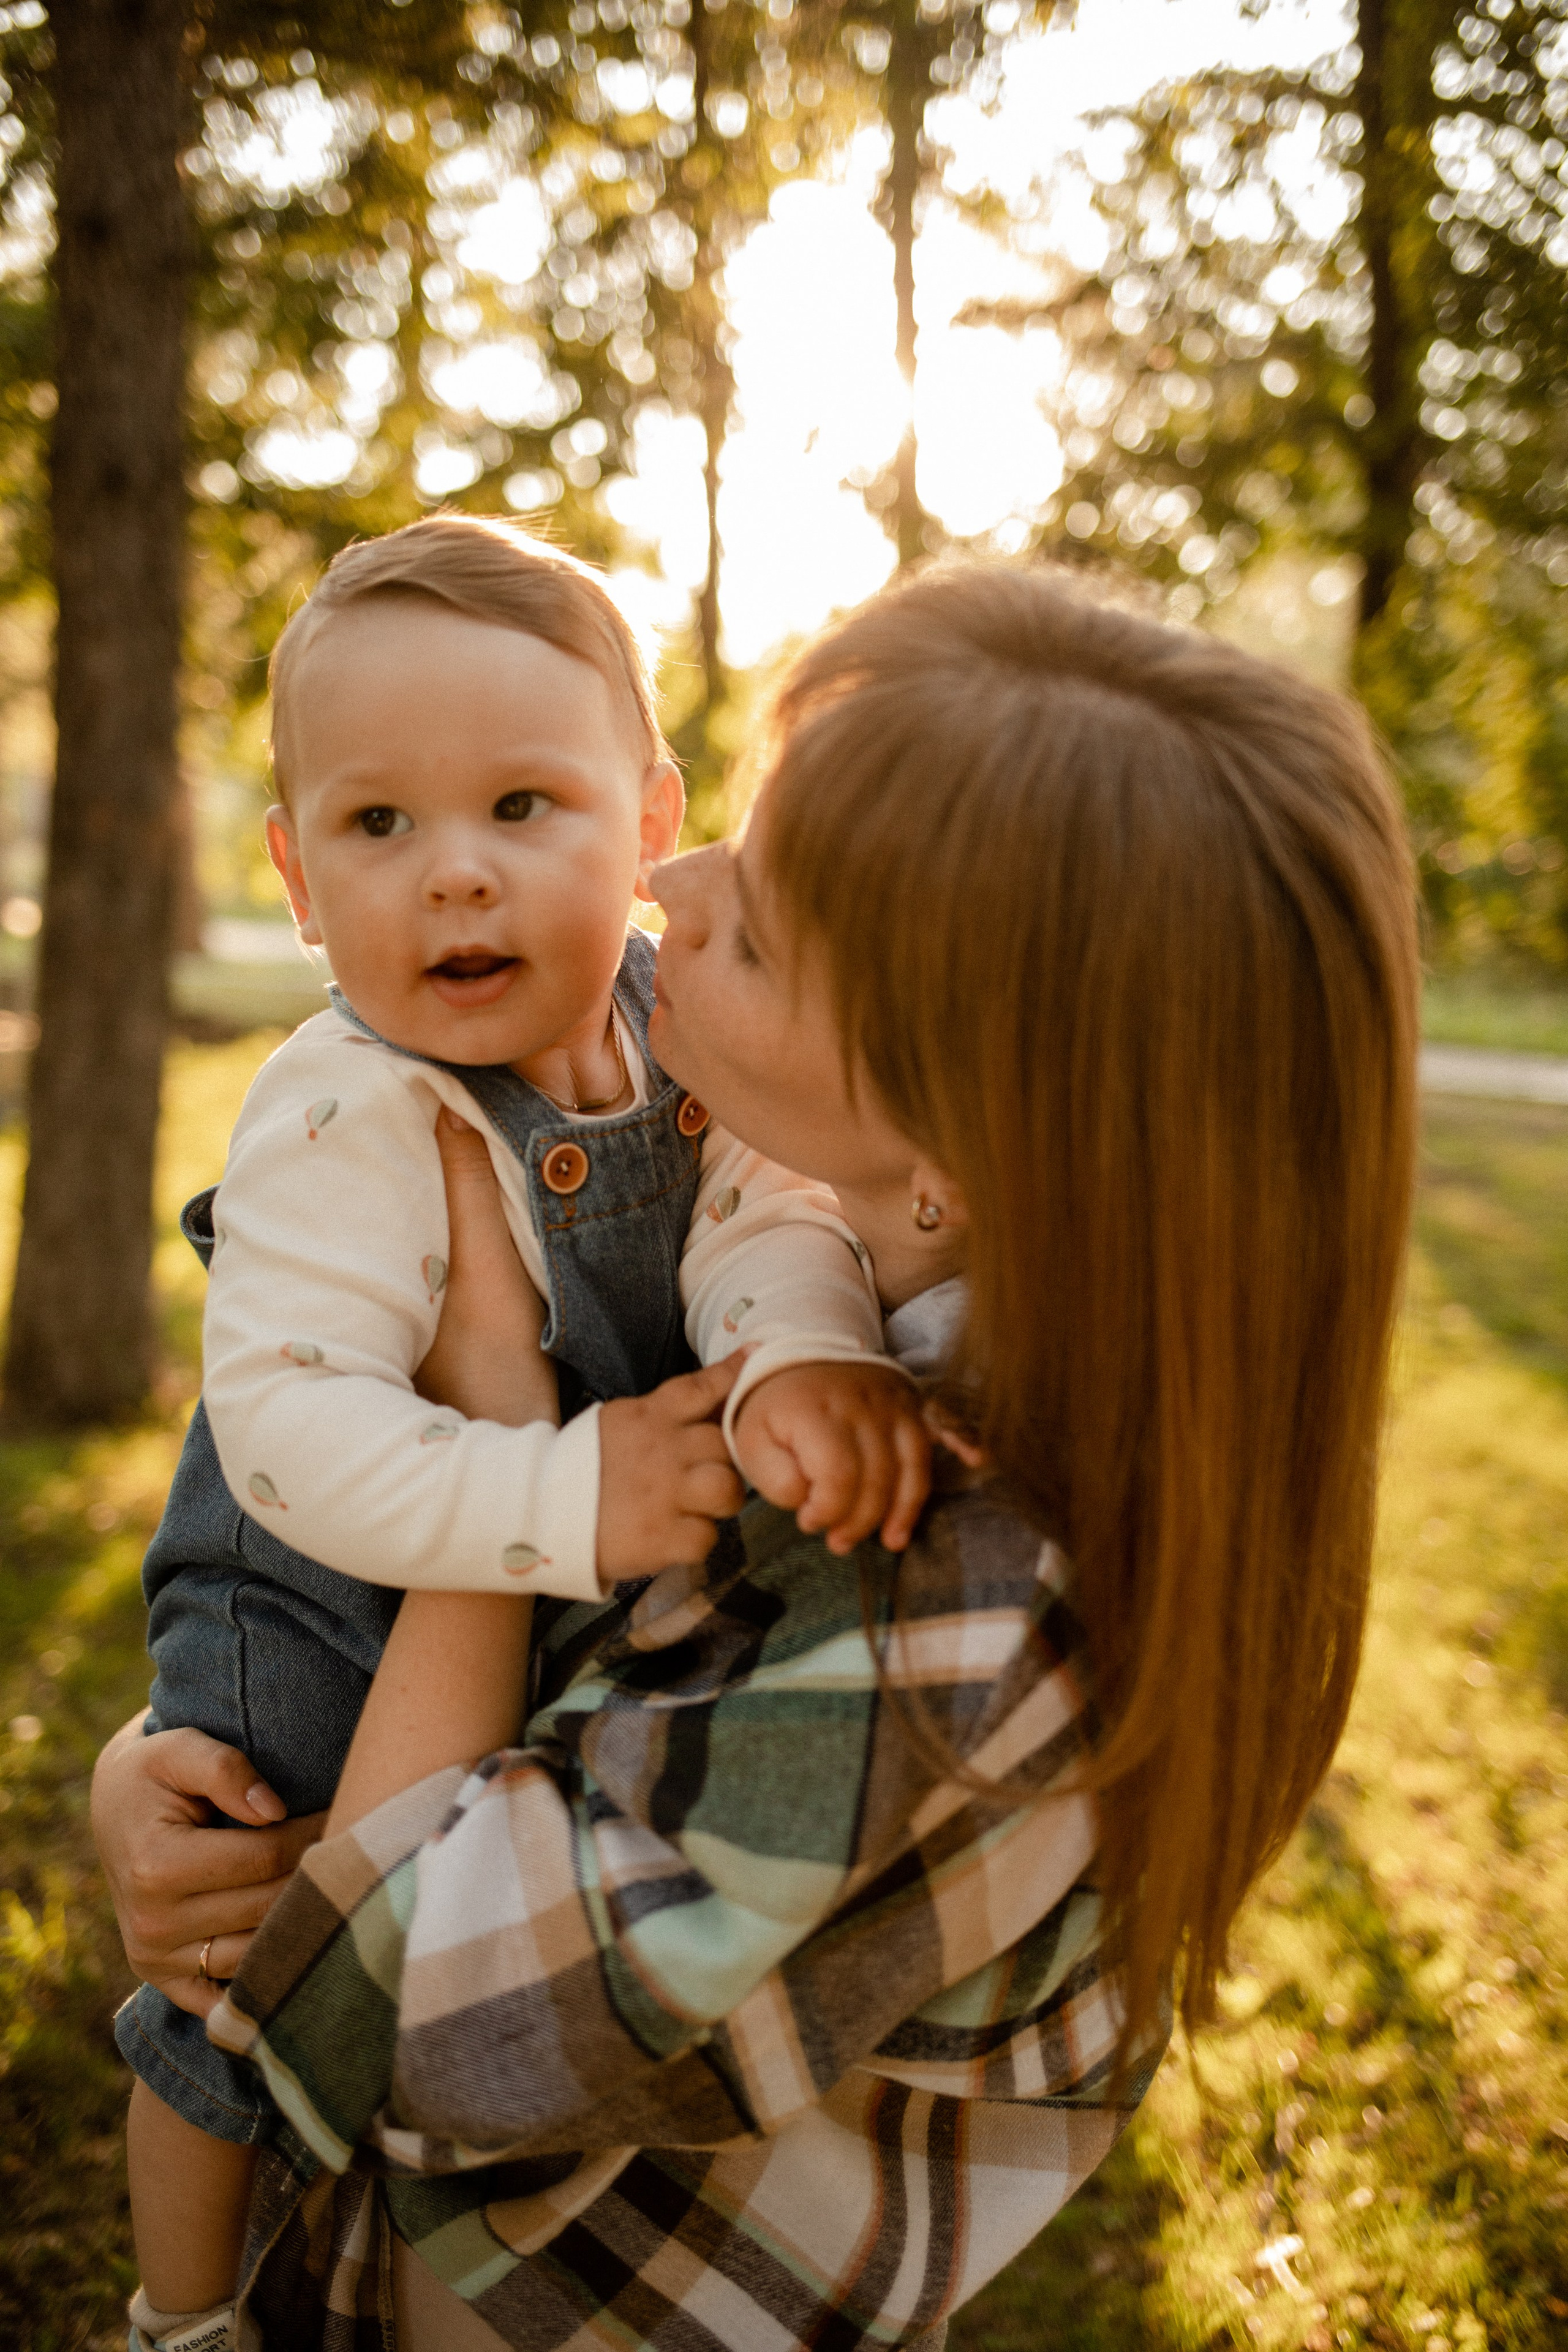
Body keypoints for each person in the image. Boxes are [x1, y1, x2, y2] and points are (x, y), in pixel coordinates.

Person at [94, 563, 1419, 2350]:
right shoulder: (888, 1337)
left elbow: (370, 2014)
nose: (673, 881)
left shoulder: (934, 1580)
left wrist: (500, 1411)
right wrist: (171, 1763)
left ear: (958, 1139)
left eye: (769, 927)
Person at [117, 516, 935, 2352]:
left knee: (420, 1948)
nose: (454, 883)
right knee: (240, 1983)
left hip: (562, 1542)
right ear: (296, 876)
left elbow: (770, 1218)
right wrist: (565, 1488)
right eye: (379, 826)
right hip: (316, 1591)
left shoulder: (674, 1032)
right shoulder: (343, 1109)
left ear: (648, 820)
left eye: (520, 807)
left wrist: (799, 1359)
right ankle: (178, 2316)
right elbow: (291, 1434)